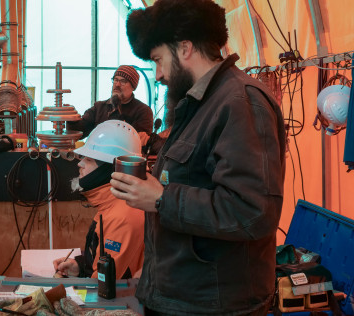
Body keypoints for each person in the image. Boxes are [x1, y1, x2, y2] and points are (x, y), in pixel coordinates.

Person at [110, 1, 287, 315]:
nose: (159, 74)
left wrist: (162, 199)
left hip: (212, 306)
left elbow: (253, 212)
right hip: (182, 297)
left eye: (158, 59)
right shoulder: (197, 103)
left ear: (185, 47)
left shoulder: (240, 103)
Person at [53, 120, 145, 279]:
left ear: (108, 170)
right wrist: (81, 268)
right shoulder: (113, 205)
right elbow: (104, 262)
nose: (80, 163)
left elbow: (107, 287)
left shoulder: (121, 217)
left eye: (89, 159)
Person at [67, 65, 154, 146]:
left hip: (123, 160)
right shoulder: (99, 107)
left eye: (123, 81)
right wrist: (71, 118)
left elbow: (139, 143)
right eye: (115, 80)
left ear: (133, 87)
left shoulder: (143, 111)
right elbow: (79, 132)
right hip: (96, 156)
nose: (117, 84)